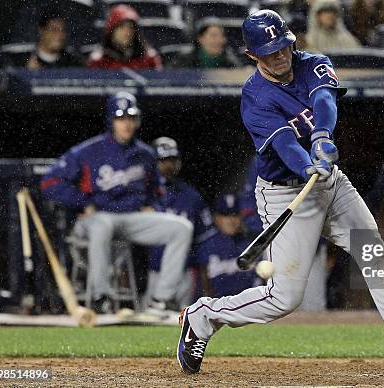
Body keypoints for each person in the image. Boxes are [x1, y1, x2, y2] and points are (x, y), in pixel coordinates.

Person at [177, 10, 384, 379]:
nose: (279, 56)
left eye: (282, 46)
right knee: (284, 298)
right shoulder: (254, 96)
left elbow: (325, 100)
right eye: (269, 52)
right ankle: (204, 315)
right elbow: (282, 144)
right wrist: (306, 163)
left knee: (374, 253)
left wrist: (322, 136)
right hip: (284, 193)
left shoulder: (313, 62)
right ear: (252, 56)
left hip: (331, 185)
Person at [40, 92, 192, 315]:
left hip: (131, 219)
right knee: (103, 225)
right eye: (121, 118)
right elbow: (49, 182)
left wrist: (155, 207)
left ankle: (161, 299)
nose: (126, 124)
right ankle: (101, 297)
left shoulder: (145, 154)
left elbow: (158, 192)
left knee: (181, 227)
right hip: (95, 218)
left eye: (131, 118)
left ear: (137, 120)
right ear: (111, 121)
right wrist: (83, 203)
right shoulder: (88, 151)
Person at [147, 137, 217, 307]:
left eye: (172, 160)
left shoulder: (191, 196)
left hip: (184, 274)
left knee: (183, 322)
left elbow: (202, 243)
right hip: (153, 273)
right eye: (163, 161)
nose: (168, 166)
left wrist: (207, 287)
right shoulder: (143, 195)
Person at [195, 193, 262, 298]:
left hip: (252, 305)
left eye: (234, 214)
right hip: (218, 308)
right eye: (225, 215)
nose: (231, 220)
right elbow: (203, 288)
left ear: (241, 216)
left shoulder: (252, 242)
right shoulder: (206, 245)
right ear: (216, 217)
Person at [87, 5, 162, 70]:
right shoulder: (98, 61)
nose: (127, 32)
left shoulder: (149, 59)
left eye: (131, 27)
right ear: (111, 30)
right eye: (121, 27)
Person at [171, 19, 240, 69]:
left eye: (222, 35)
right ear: (200, 39)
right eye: (214, 36)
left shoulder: (231, 62)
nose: (220, 40)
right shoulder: (184, 60)